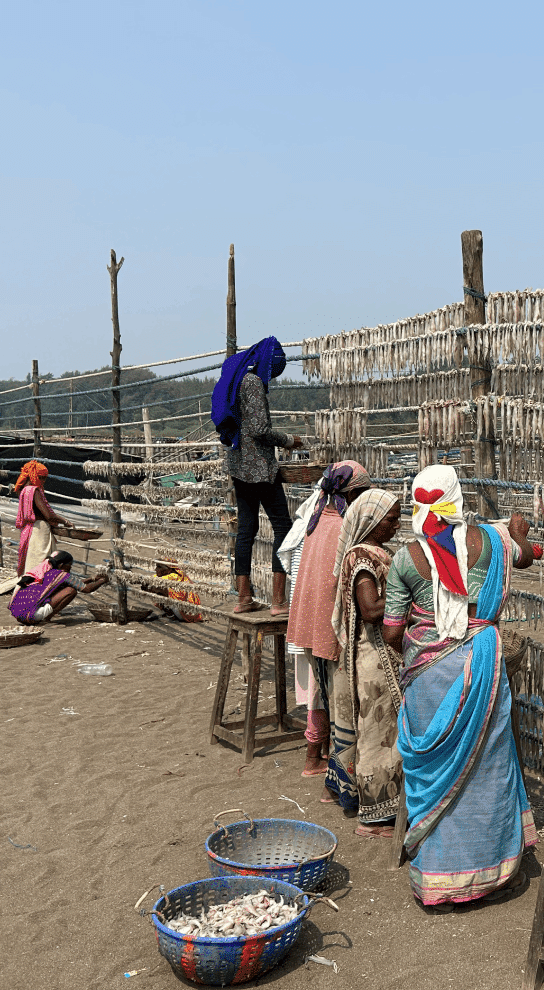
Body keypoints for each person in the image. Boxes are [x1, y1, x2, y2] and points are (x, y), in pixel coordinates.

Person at [382, 465, 537, 907]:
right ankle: (494, 872)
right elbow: (524, 554)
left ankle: (440, 875)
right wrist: (519, 532)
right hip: (483, 667)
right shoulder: (494, 542)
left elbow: (393, 632)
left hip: (430, 680)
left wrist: (422, 637)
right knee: (489, 768)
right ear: (457, 497)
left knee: (433, 771)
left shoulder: (404, 559)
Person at [317, 489, 405, 833]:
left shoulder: (373, 553)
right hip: (374, 657)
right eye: (391, 519)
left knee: (373, 731)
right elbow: (370, 610)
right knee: (379, 735)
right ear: (371, 521)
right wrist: (416, 605)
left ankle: (351, 796)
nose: (397, 526)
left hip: (378, 656)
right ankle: (376, 816)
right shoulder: (362, 557)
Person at [283, 461, 374, 777]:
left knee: (319, 693)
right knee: (342, 701)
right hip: (329, 626)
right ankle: (338, 770)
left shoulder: (318, 519)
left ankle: (314, 756)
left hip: (309, 622)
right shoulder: (343, 528)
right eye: (362, 493)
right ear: (353, 493)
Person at [211, 335, 303, 614]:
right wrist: (289, 440)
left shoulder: (238, 379)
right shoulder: (252, 383)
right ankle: (278, 601)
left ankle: (244, 599)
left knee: (246, 531)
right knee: (283, 528)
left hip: (239, 467)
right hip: (260, 469)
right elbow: (259, 430)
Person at [10, 551, 108, 625]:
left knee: (67, 588)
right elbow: (86, 589)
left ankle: (43, 615)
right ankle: (47, 619)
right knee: (71, 591)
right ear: (61, 565)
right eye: (69, 565)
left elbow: (74, 583)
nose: (70, 568)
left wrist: (92, 579)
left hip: (19, 614)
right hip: (31, 616)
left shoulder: (44, 570)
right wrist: (102, 581)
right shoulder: (60, 575)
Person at [14, 460, 69, 576]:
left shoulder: (23, 490)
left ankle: (28, 589)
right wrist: (65, 521)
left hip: (30, 530)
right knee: (42, 563)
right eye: (41, 477)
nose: (43, 481)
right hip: (40, 530)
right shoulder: (34, 491)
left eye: (45, 478)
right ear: (32, 475)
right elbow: (48, 515)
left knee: (32, 562)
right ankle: (40, 590)